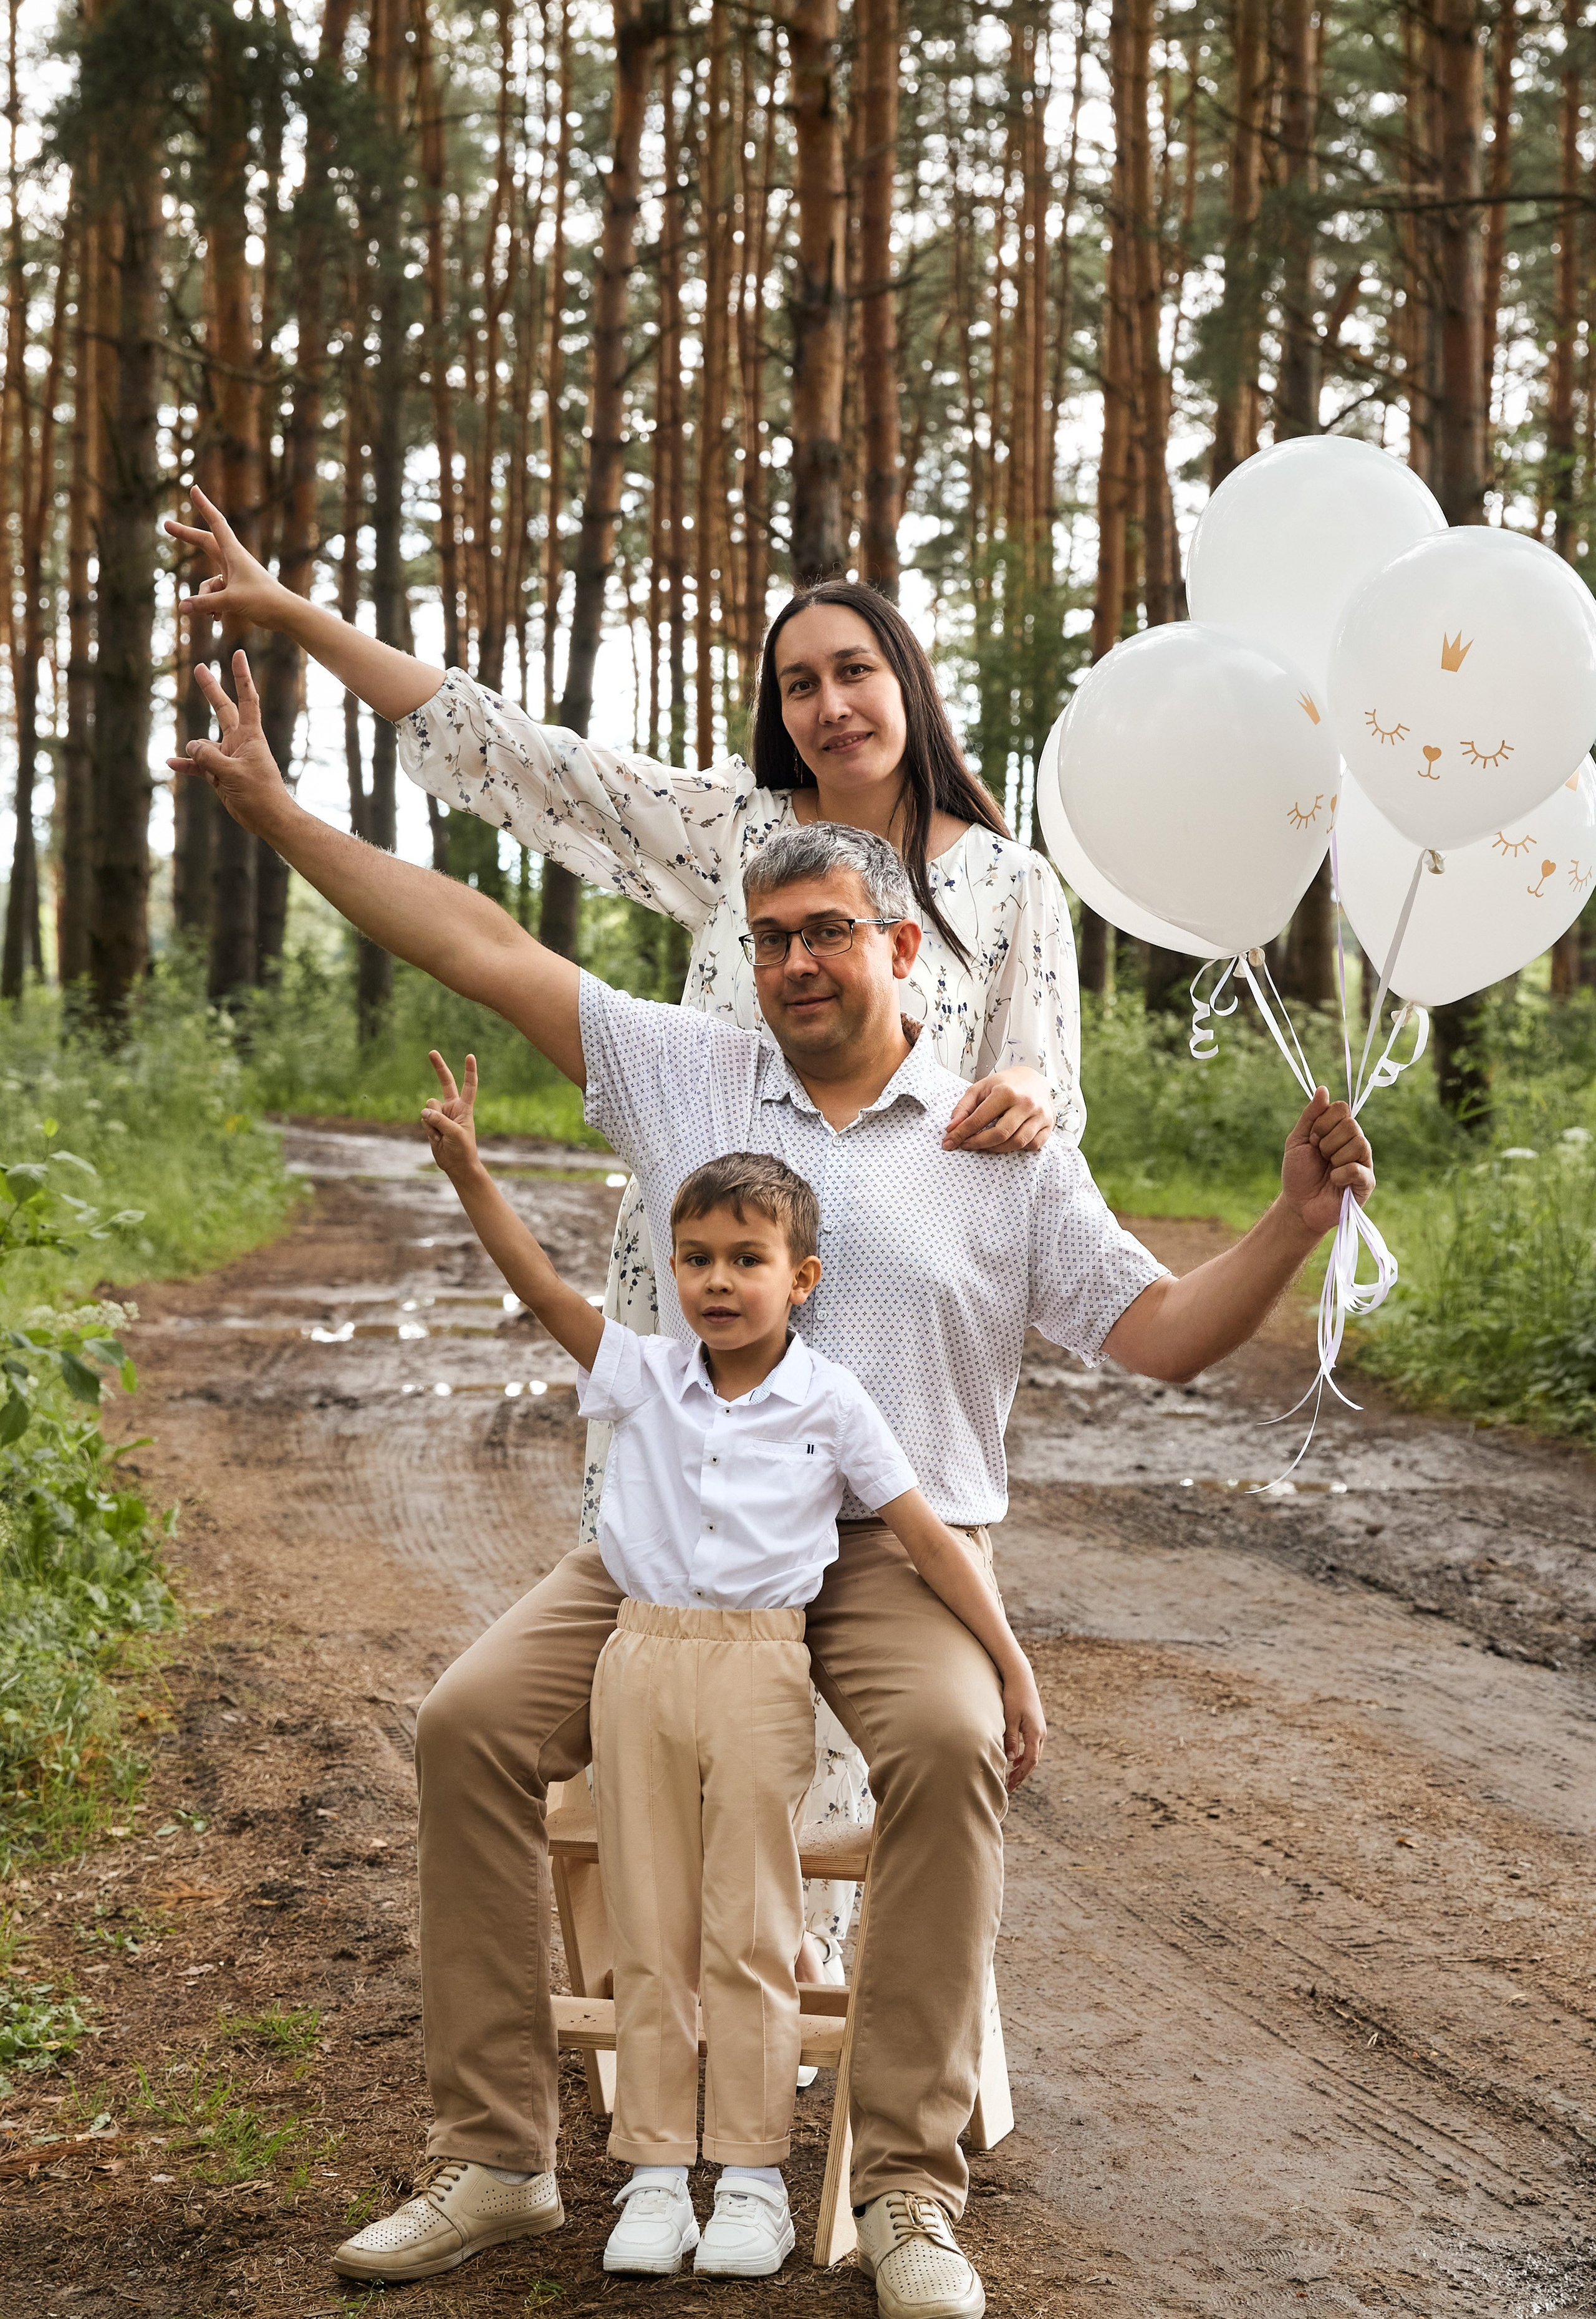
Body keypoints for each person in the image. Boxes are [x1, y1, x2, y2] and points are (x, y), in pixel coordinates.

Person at [167, 648, 1375, 2319]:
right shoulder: (689, 1074)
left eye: (829, 934)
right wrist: (277, 806)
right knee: (465, 1726)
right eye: (774, 937)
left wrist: (1293, 1227)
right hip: (664, 1549)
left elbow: (1161, 1335)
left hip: (887, 1551)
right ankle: (500, 2157)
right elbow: (475, 938)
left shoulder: (999, 1148)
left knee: (952, 1749)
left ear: (904, 952)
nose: (798, 961)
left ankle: (902, 2193)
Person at [162, 488, 1085, 1963]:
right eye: (800, 683)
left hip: (885, 1325)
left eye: (856, 670)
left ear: (906, 682)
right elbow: (514, 760)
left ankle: (821, 1997)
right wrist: (287, 616)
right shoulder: (734, 832)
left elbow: (1047, 1083)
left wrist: (1027, 1085)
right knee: (676, 1641)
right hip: (698, 1301)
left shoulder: (1007, 878)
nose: (833, 704)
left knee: (870, 1687)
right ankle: (678, 1981)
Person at [411, 1102, 1046, 2282]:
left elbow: (930, 1537)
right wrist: (472, 1177)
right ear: (670, 1268)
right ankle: (618, 2171)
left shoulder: (833, 1401)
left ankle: (778, 2178)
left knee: (754, 1929)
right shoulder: (645, 1377)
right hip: (639, 1656)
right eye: (696, 1259)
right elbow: (547, 1296)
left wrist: (1010, 1662)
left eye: (746, 1260)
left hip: (762, 1659)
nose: (718, 1282)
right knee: (651, 1923)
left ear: (801, 1278)